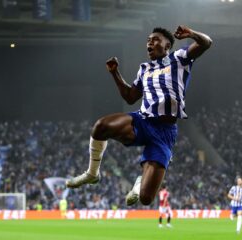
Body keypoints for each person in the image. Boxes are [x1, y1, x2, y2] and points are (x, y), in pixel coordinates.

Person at [66, 25, 212, 206]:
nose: (150, 43)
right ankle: (92, 173)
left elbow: (206, 43)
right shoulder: (145, 69)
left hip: (164, 133)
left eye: (155, 40)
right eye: (148, 41)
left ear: (167, 46)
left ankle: (139, 182)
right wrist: (115, 73)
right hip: (142, 120)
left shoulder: (179, 58)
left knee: (145, 199)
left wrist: (191, 34)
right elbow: (130, 97)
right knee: (100, 126)